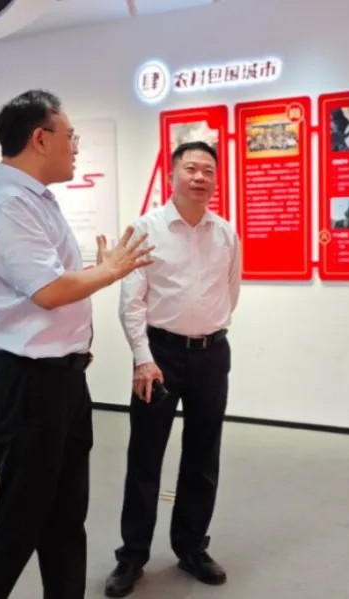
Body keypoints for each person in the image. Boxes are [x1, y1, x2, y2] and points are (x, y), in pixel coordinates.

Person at [0, 89, 154, 599]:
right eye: (71, 136)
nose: (76, 146)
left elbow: (52, 282)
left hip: (61, 380)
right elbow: (48, 290)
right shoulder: (7, 203)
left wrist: (97, 272)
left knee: (65, 518)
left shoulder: (34, 199)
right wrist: (108, 272)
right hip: (30, 384)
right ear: (40, 139)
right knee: (19, 521)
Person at [104, 141, 241, 598]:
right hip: (158, 356)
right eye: (191, 168)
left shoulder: (225, 233)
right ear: (172, 175)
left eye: (208, 170)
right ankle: (132, 555)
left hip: (211, 354)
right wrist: (143, 357)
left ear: (215, 179)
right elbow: (131, 302)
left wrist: (208, 331)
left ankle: (191, 547)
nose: (200, 177)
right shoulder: (145, 230)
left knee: (203, 456)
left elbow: (231, 291)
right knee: (145, 456)